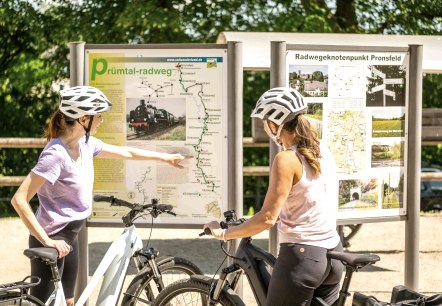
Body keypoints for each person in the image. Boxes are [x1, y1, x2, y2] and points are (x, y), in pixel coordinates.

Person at [11, 86, 189, 306]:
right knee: (41, 303)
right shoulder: (56, 154)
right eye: (99, 116)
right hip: (51, 240)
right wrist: (47, 241)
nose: (102, 120)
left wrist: (164, 157)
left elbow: (127, 152)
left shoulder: (85, 144)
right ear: (83, 119)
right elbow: (19, 200)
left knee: (68, 301)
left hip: (70, 237)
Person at [204, 87, 344, 306]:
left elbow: (267, 218)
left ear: (274, 124)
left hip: (303, 257)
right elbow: (307, 200)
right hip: (334, 255)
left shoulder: (286, 159)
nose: (264, 126)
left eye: (264, 121)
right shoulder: (321, 149)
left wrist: (224, 233)